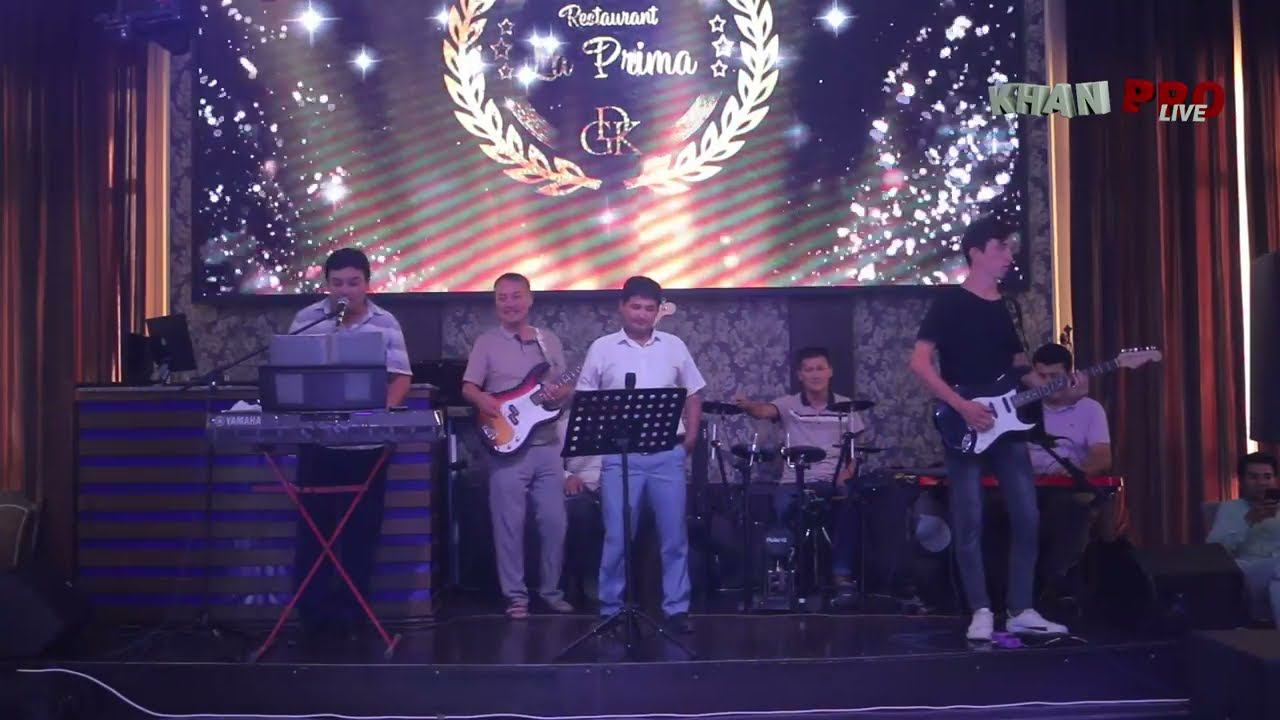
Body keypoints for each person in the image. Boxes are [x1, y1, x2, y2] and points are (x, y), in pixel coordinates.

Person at [908, 215, 1070, 641]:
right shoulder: (949, 303)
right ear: (976, 252)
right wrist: (962, 406)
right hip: (965, 421)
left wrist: (1053, 387)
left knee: (1028, 517)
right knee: (969, 519)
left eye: (1010, 247)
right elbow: (919, 363)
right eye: (1001, 247)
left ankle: (1021, 608)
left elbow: (1018, 366)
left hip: (1009, 424)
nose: (1009, 255)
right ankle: (980, 609)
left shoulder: (1008, 306)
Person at [288, 247, 412, 638]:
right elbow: (289, 374)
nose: (345, 290)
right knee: (315, 533)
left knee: (361, 534)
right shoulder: (307, 320)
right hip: (317, 444)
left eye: (353, 283)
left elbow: (401, 376)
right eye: (337, 283)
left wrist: (380, 416)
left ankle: (354, 617)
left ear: (367, 285)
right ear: (326, 285)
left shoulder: (385, 322)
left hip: (366, 447)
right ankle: (312, 619)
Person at [576, 276, 704, 634]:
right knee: (617, 537)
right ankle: (610, 609)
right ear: (622, 307)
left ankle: (676, 609)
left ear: (658, 311)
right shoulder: (602, 348)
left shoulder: (674, 345)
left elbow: (694, 392)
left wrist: (691, 437)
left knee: (674, 537)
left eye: (649, 308)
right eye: (636, 307)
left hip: (667, 454)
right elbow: (585, 398)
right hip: (621, 456)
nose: (642, 314)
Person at [462, 273, 574, 619]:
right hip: (507, 448)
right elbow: (468, 387)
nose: (509, 303)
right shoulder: (486, 343)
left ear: (530, 299)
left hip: (548, 446)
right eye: (502, 298)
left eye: (516, 296)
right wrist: (483, 400)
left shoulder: (548, 340)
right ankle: (516, 597)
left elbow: (563, 390)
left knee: (555, 522)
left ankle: (551, 592)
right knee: (509, 525)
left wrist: (560, 393)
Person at [735, 347, 866, 591]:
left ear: (830, 372)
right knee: (782, 507)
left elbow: (857, 450)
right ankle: (781, 573)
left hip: (833, 479)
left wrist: (847, 473)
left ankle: (841, 573)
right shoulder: (788, 404)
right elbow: (763, 411)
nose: (815, 374)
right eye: (809, 369)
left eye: (820, 368)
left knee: (850, 506)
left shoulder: (846, 406)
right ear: (800, 375)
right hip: (794, 480)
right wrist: (747, 405)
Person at [1025, 343, 1116, 598]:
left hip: (1067, 488)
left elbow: (1102, 457)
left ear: (1069, 375)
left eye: (1054, 376)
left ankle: (1056, 586)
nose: (1047, 383)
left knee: (1070, 511)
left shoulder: (1090, 409)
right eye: (1041, 376)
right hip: (1025, 487)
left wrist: (1078, 471)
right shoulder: (1024, 407)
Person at [1206, 452, 1280, 627]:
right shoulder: (1230, 509)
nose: (1261, 483)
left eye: (1267, 477)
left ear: (1275, 480)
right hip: (1247, 570)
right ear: (1241, 480)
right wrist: (1248, 520)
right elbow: (1214, 551)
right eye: (1253, 477)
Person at [558, 412, 604, 609]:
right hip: (581, 482)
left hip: (616, 479)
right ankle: (580, 584)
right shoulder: (565, 420)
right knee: (581, 512)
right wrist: (567, 477)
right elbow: (551, 462)